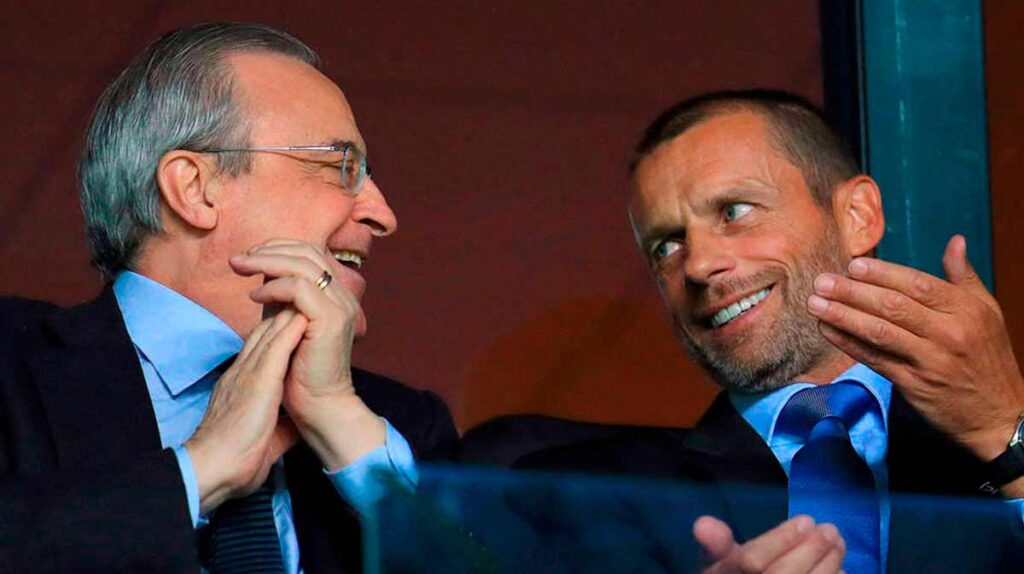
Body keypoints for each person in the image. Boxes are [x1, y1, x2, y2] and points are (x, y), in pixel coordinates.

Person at [0, 23, 456, 573]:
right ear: (195, 189)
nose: (383, 215)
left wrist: (341, 426)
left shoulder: (397, 426)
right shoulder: (12, 366)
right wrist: (200, 472)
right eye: (342, 167)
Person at [512, 90, 1024, 573]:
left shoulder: (991, 429)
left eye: (734, 212)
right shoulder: (583, 498)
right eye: (667, 246)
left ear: (857, 216)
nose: (698, 265)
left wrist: (1004, 429)